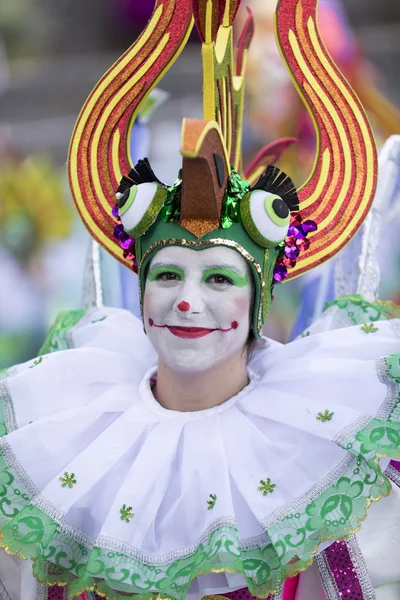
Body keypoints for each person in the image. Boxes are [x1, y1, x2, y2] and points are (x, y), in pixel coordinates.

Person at [0, 1, 399, 599]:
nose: (187, 302)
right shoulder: (56, 439)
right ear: (140, 292)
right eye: (167, 277)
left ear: (257, 301)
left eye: (218, 279)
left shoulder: (330, 465)